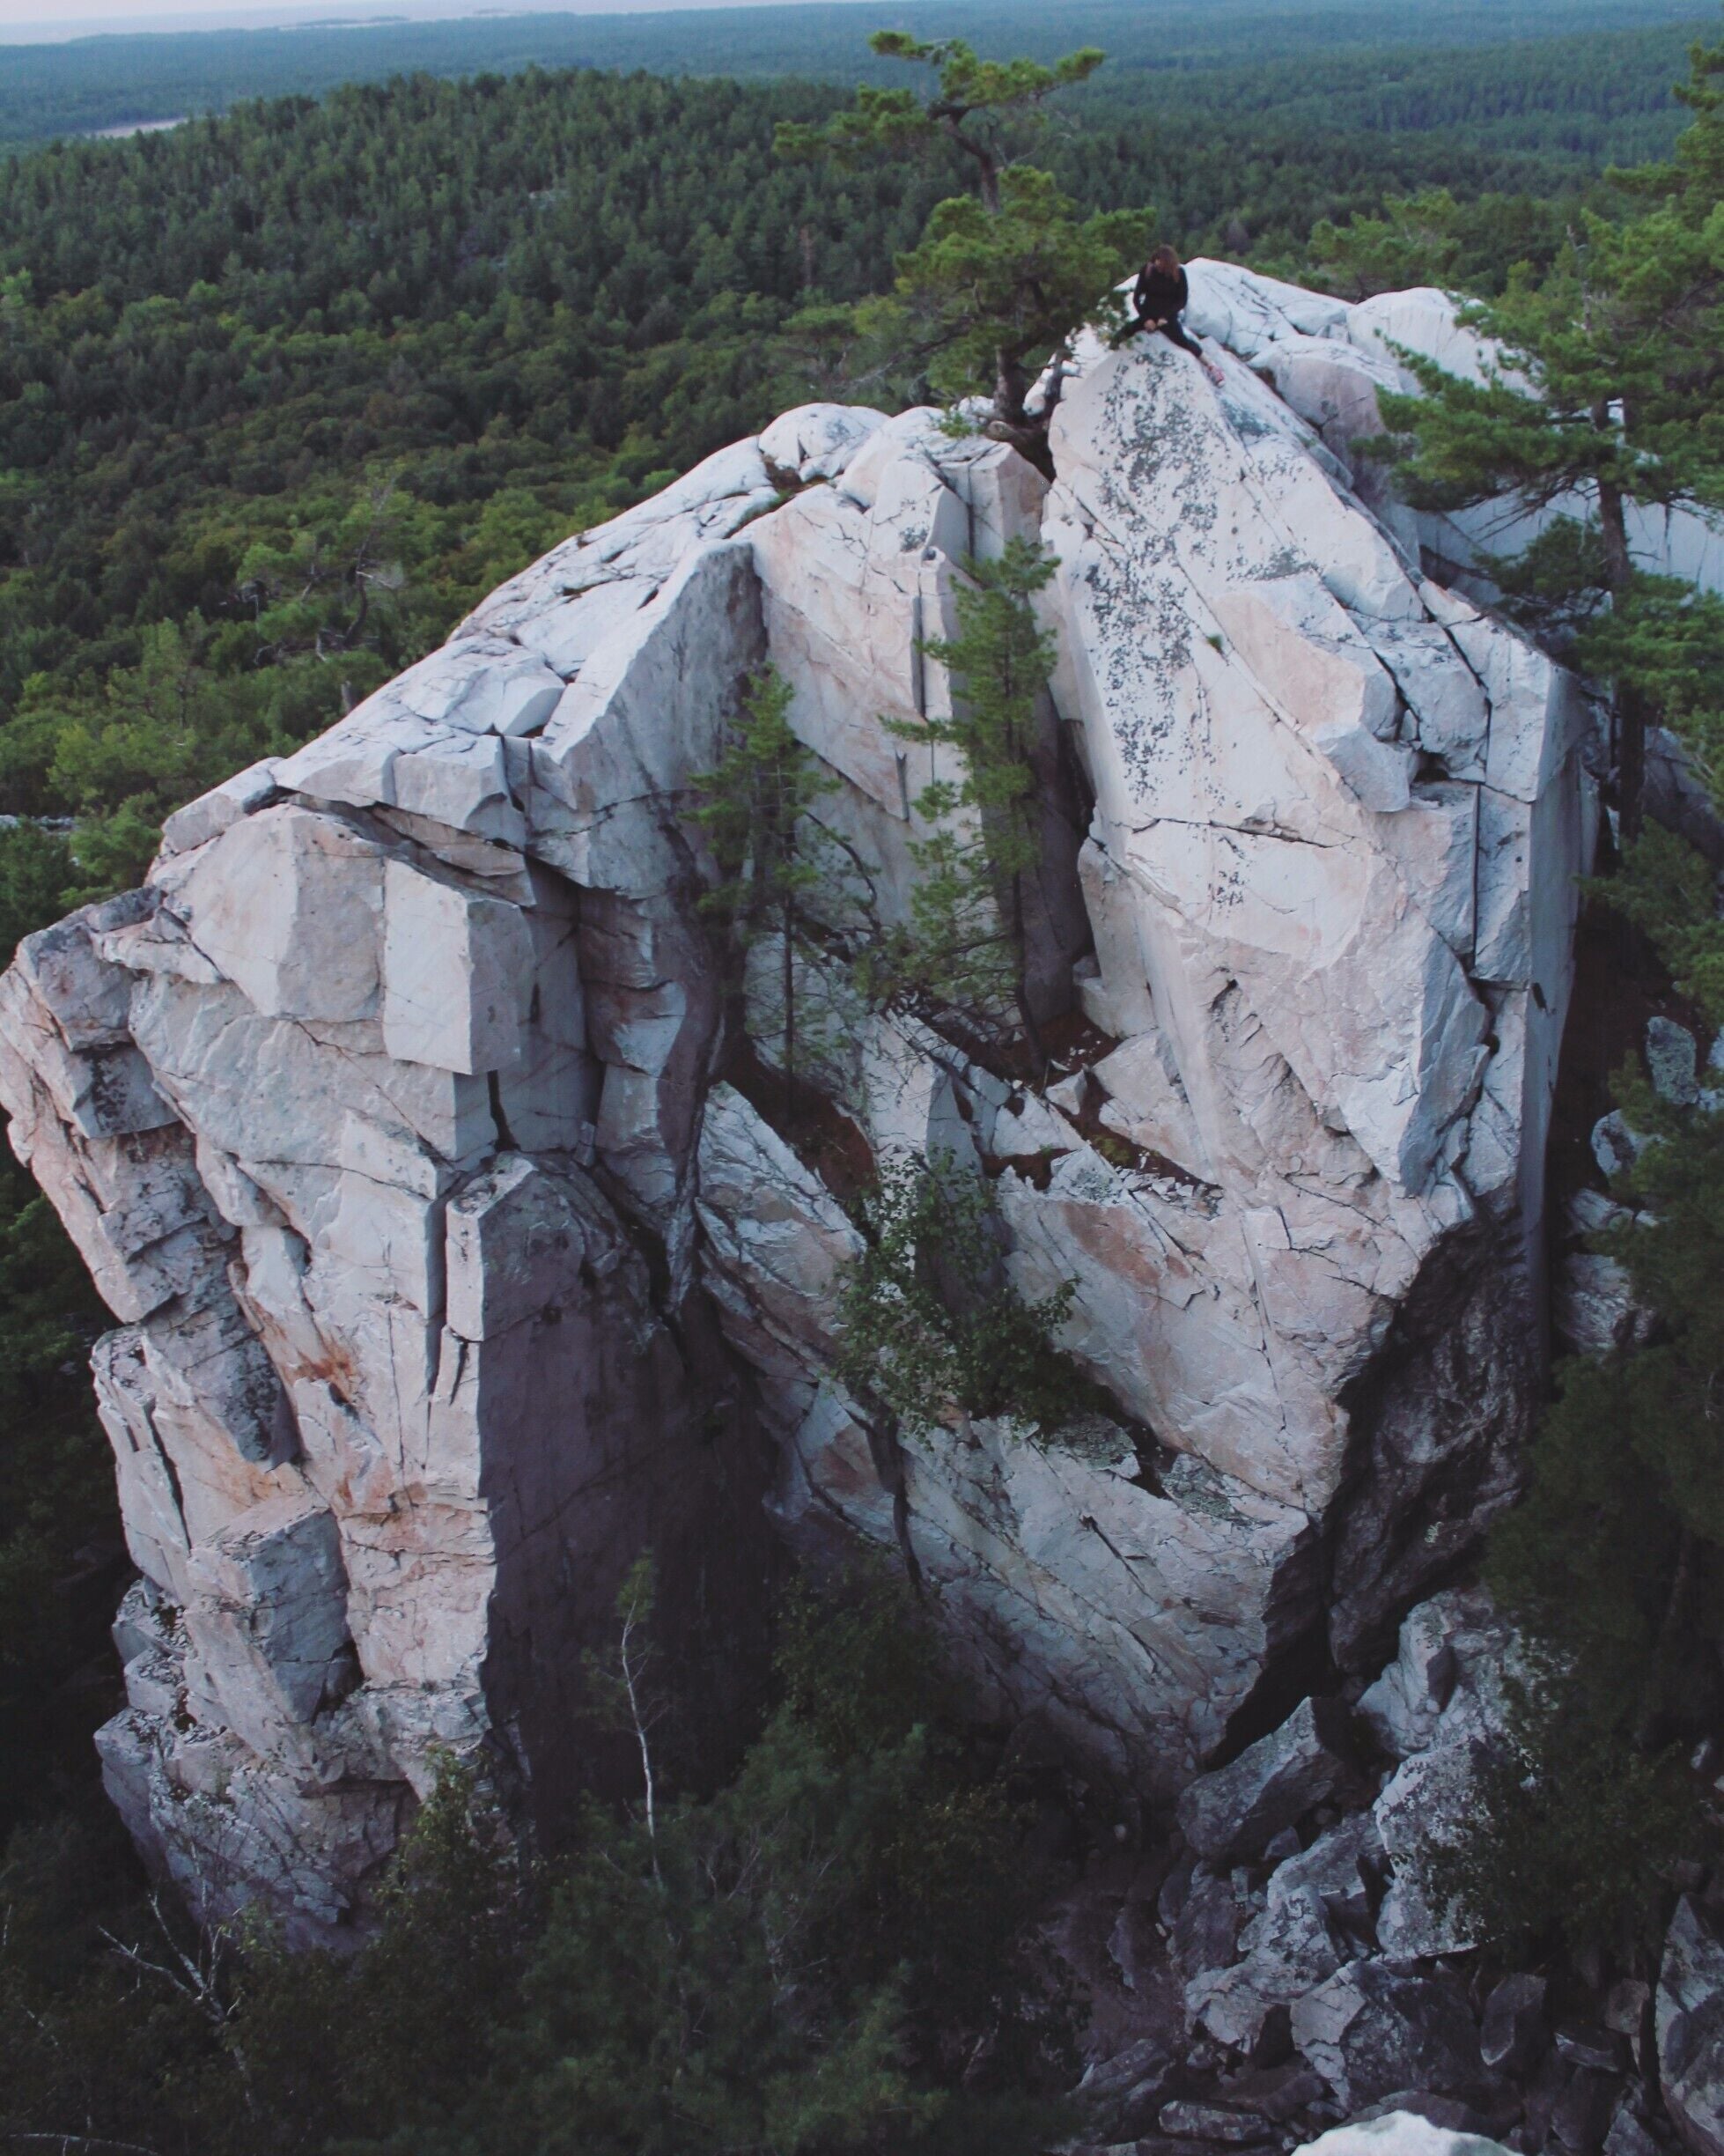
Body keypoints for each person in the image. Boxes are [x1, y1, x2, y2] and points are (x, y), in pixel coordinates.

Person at [1112, 243, 1226, 385]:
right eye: (1156, 260)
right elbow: (1137, 298)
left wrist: (1164, 317)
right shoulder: (1147, 271)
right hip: (1149, 314)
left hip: (1167, 317)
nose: (1157, 264)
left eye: (1161, 261)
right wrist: (1146, 318)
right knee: (1124, 332)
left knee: (1183, 341)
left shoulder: (1178, 274)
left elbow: (1181, 300)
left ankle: (1212, 367)